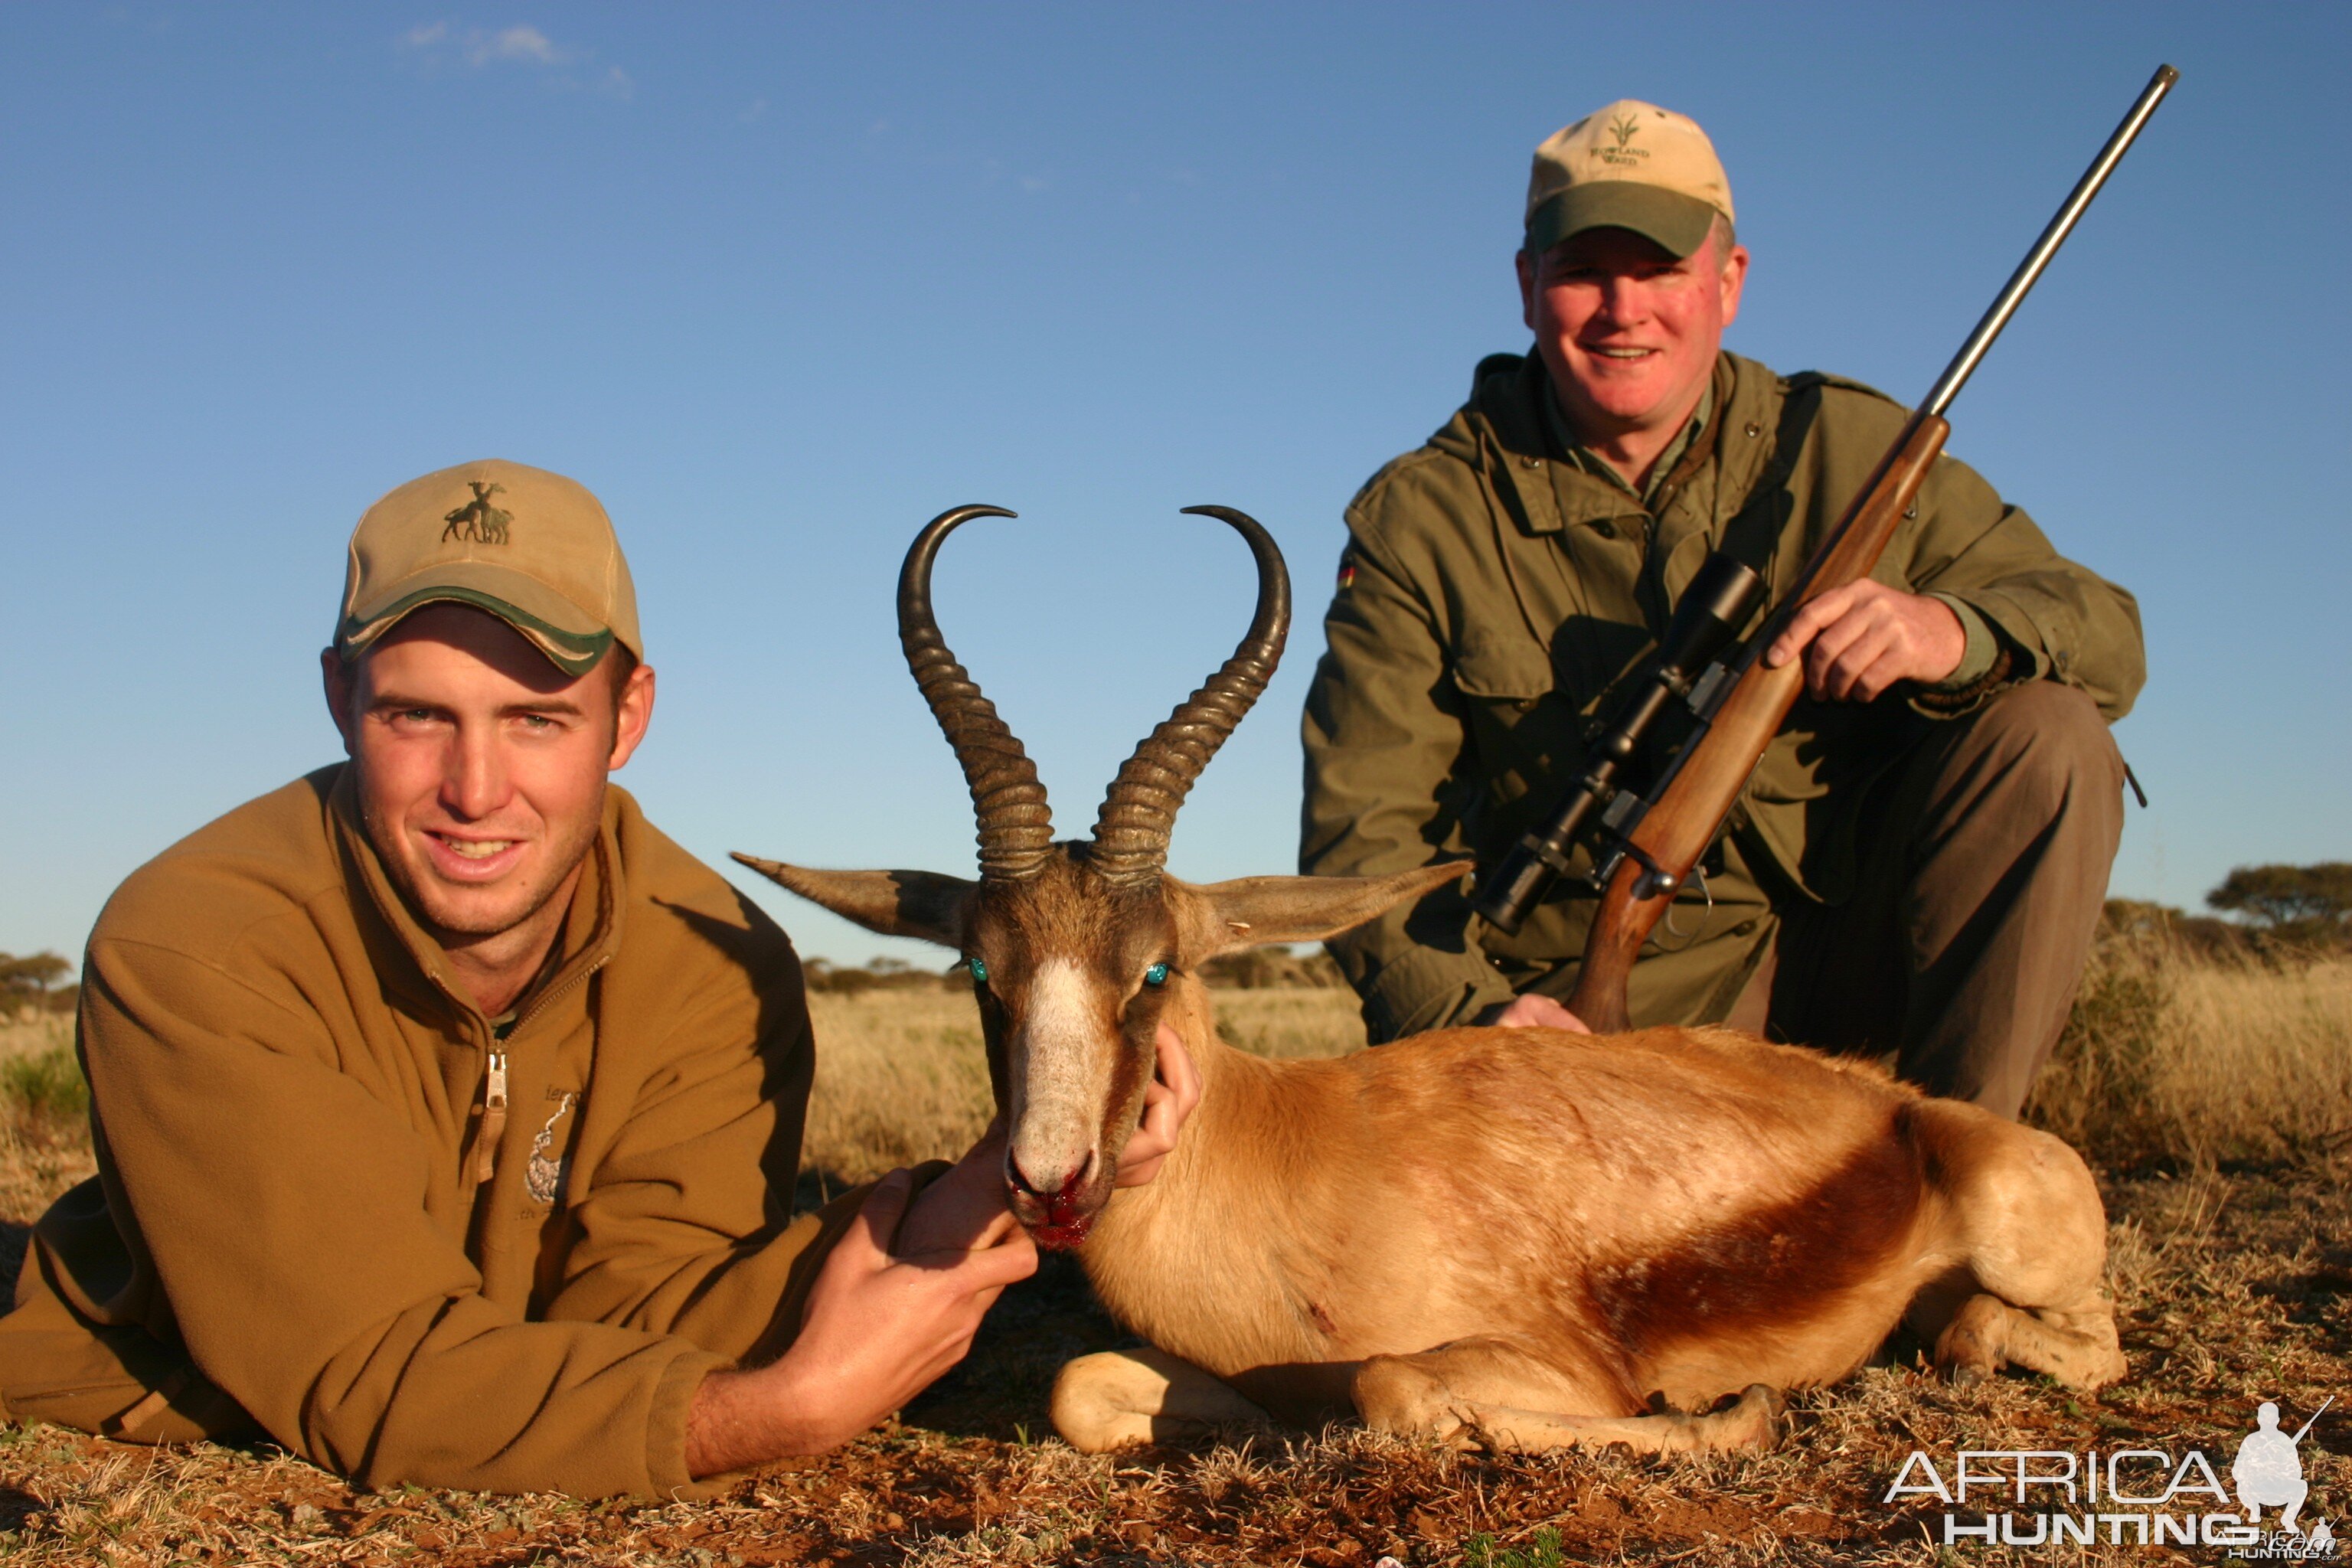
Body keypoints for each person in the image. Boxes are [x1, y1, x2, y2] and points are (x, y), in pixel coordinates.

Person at [0, 460, 1188, 1497]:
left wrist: (1002, 1174)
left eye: (535, 720)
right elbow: (365, 1371)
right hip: (195, 1393)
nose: (475, 791)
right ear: (338, 700)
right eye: (418, 714)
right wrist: (776, 1418)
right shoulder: (195, 945)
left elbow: (648, 1307)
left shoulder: (715, 957)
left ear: (628, 716)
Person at [1301, 101, 2145, 1118]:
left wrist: (1952, 632)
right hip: (1607, 1029)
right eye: (1582, 272)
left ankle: (1964, 1186)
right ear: (1527, 286)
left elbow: (2104, 629)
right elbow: (1363, 837)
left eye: (1659, 269)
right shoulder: (1421, 517)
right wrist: (1473, 1024)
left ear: (1728, 282)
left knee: (2048, 735)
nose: (1624, 311)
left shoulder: (1848, 445)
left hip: (1853, 965)